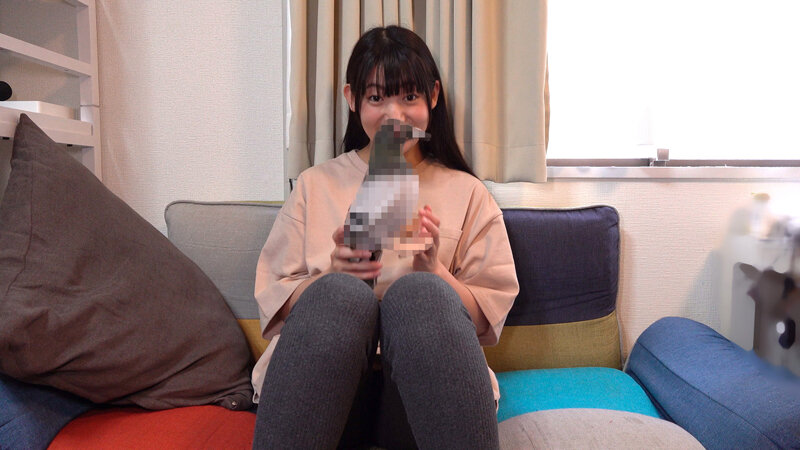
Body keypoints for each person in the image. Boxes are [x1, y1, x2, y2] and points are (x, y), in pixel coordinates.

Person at [251, 25, 519, 449]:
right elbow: (274, 299)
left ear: (433, 96)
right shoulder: (314, 185)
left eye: (409, 97)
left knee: (420, 293)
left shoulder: (468, 193)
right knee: (339, 293)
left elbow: (488, 314)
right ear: (352, 98)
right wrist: (332, 275)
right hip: (322, 391)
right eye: (376, 98)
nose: (394, 114)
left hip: (425, 395)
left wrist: (435, 273)